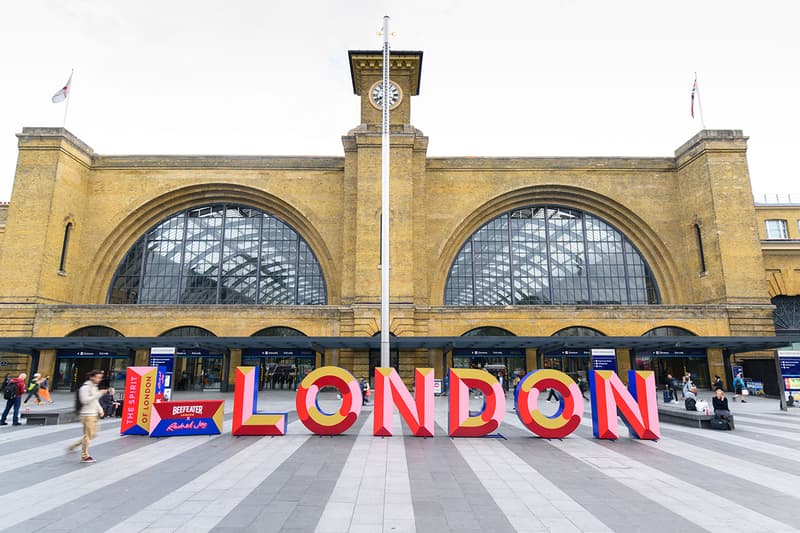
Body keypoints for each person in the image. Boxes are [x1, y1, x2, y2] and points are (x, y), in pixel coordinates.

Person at [67, 369, 106, 463]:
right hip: (87, 414)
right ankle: (85, 456)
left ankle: (73, 446)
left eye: (100, 377)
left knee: (93, 434)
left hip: (93, 413)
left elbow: (94, 401)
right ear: (91, 377)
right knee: (88, 435)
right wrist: (98, 394)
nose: (99, 379)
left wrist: (100, 410)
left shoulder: (94, 387)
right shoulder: (85, 387)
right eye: (97, 377)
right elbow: (84, 400)